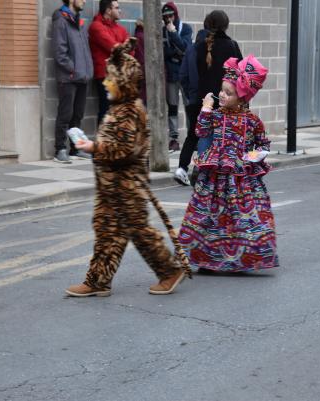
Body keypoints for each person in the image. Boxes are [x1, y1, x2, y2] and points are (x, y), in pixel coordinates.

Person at [65, 38, 191, 297]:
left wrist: (93, 148)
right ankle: (98, 279)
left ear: (122, 82)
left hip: (126, 186)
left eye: (110, 78)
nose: (105, 82)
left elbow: (125, 150)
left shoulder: (130, 111)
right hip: (111, 187)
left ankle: (168, 271)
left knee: (139, 231)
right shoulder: (119, 108)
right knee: (106, 232)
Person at [178, 55, 278, 273]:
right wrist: (205, 109)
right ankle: (206, 257)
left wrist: (251, 158)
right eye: (222, 90)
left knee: (240, 217)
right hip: (213, 173)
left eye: (229, 93)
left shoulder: (252, 121)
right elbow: (200, 132)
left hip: (240, 178)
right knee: (209, 215)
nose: (222, 95)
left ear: (242, 98)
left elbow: (263, 145)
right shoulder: (215, 116)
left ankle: (243, 259)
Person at [175, 10, 242, 186]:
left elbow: (191, 74)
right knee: (226, 137)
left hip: (205, 100)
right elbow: (241, 76)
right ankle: (223, 174)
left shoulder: (198, 47)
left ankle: (203, 170)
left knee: (204, 135)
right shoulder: (232, 46)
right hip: (225, 100)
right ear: (225, 25)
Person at [52, 0, 93, 164]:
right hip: (68, 77)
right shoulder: (60, 19)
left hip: (82, 76)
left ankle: (76, 148)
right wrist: (73, 69)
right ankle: (60, 149)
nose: (84, 1)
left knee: (77, 115)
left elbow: (85, 49)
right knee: (65, 114)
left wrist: (87, 70)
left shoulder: (79, 21)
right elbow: (59, 52)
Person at [173, 20, 210, 186]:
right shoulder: (209, 50)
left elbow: (182, 75)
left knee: (192, 135)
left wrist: (189, 94)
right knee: (208, 134)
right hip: (207, 100)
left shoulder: (190, 49)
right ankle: (200, 169)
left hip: (192, 101)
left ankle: (182, 168)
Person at [88, 0, 128, 125]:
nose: (119, 10)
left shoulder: (120, 28)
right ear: (108, 10)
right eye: (117, 8)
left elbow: (131, 50)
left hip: (119, 75)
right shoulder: (96, 26)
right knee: (107, 111)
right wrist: (121, 48)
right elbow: (113, 48)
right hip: (106, 76)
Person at [161, 2, 192, 152]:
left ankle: (192, 137)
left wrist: (173, 32)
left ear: (176, 15)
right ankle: (174, 138)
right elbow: (164, 53)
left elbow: (186, 48)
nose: (169, 19)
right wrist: (176, 52)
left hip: (184, 72)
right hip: (171, 73)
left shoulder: (185, 28)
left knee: (188, 105)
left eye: (171, 15)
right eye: (166, 16)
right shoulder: (162, 31)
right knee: (172, 106)